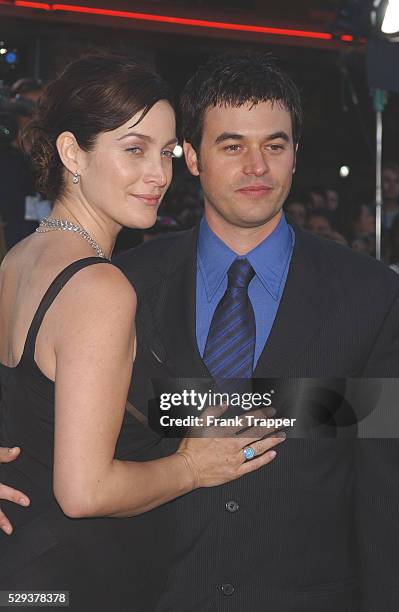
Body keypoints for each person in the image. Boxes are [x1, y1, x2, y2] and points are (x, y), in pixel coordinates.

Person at [2, 50, 399, 611]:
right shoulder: (119, 282)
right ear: (195, 158)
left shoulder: (372, 291)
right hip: (142, 592)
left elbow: (385, 478)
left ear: (295, 156)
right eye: (232, 145)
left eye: (275, 145)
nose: (256, 167)